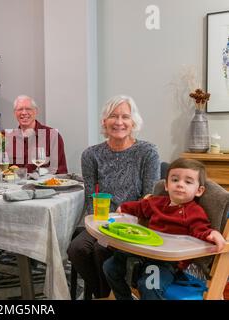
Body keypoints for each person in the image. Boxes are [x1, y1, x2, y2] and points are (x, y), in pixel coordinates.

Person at [67, 94, 160, 299]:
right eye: (113, 116)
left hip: (135, 222)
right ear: (104, 122)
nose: (119, 122)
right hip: (101, 220)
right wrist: (98, 225)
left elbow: (150, 197)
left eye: (125, 117)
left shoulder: (147, 152)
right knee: (76, 249)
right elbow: (91, 195)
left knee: (102, 250)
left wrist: (128, 215)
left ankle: (109, 294)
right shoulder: (91, 154)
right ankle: (104, 295)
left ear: (133, 122)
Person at [103, 158, 226, 300]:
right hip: (144, 251)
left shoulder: (194, 212)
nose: (180, 184)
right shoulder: (156, 202)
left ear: (199, 191)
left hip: (166, 262)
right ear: (166, 185)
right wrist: (123, 208)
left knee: (149, 285)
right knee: (110, 267)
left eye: (188, 182)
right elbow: (139, 207)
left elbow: (201, 229)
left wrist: (211, 234)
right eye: (175, 180)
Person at [6, 95, 68, 174]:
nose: (24, 112)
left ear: (36, 111)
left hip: (44, 185)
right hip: (15, 185)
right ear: (15, 113)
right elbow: (4, 172)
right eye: (20, 109)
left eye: (28, 109)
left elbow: (61, 171)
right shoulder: (8, 138)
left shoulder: (52, 136)